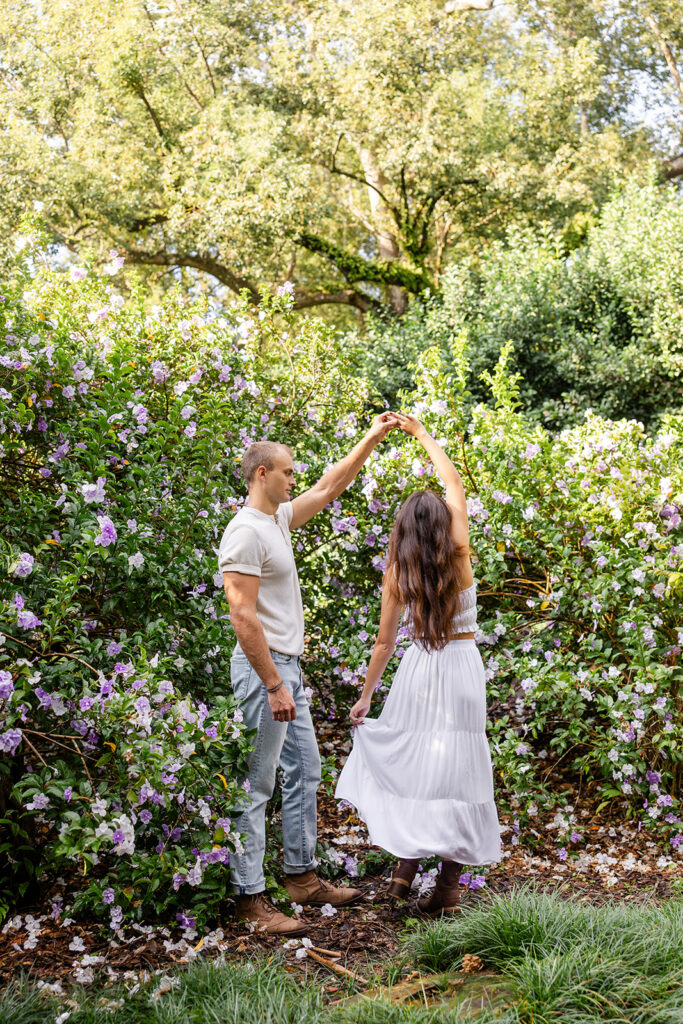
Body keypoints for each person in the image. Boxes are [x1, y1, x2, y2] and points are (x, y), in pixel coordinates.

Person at [220, 413, 398, 935]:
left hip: (287, 671)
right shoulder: (244, 532)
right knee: (257, 784)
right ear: (261, 475)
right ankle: (249, 901)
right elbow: (241, 614)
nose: (295, 479)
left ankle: (300, 876)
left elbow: (331, 485)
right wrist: (273, 683)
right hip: (265, 673)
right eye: (287, 472)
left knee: (306, 770)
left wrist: (371, 437)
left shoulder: (275, 521)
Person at [335, 413, 501, 916]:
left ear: (403, 531)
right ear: (444, 525)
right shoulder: (460, 552)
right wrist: (422, 435)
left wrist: (366, 696)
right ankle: (447, 890)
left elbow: (384, 643)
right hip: (463, 667)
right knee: (459, 772)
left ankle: (404, 872)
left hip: (419, 671)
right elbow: (453, 484)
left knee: (416, 767)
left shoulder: (398, 572)